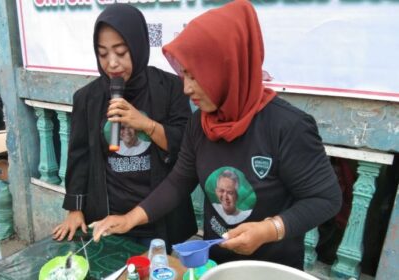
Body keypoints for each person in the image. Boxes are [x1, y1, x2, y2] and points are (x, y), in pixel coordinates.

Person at [90, 0, 342, 269]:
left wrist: (270, 229)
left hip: (271, 267)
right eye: (183, 74)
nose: (186, 88)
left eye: (195, 76)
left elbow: (326, 199)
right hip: (215, 262)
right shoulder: (200, 123)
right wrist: (130, 218)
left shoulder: (287, 126)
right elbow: (178, 182)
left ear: (226, 69)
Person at [52, 3, 197, 248]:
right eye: (103, 53)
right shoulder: (87, 98)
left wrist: (145, 124)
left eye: (120, 52)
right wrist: (75, 209)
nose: (112, 63)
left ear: (138, 46)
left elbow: (185, 147)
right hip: (108, 218)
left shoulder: (171, 88)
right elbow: (80, 156)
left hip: (159, 216)